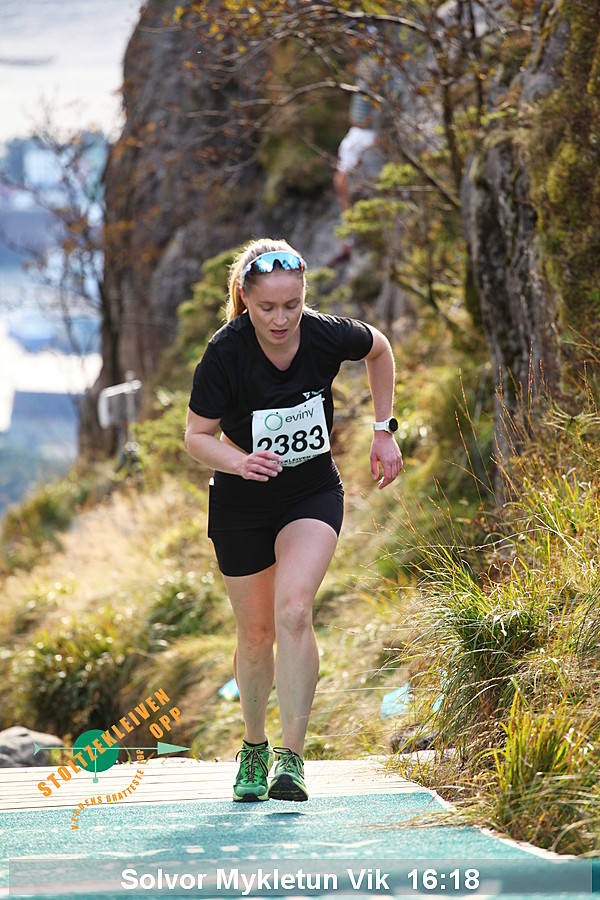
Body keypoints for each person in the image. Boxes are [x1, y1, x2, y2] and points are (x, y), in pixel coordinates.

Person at [184, 237, 403, 803]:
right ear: (245, 300)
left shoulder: (325, 333)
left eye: (292, 304)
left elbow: (379, 349)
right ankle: (254, 747)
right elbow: (196, 436)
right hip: (241, 502)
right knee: (256, 634)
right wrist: (239, 461)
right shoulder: (226, 352)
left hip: (310, 492)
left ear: (305, 296)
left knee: (295, 610)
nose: (281, 319)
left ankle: (292, 758)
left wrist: (384, 429)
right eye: (267, 308)